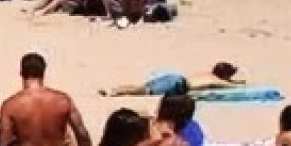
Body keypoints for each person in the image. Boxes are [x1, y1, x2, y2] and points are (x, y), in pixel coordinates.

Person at [100, 62, 241, 97]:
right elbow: (229, 87)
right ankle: (114, 93)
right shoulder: (215, 80)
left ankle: (115, 89)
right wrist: (238, 86)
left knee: (142, 87)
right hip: (177, 84)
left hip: (175, 77)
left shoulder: (207, 74)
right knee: (143, 91)